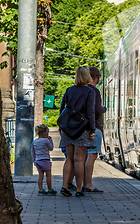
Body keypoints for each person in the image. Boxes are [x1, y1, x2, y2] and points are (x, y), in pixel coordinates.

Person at [59, 66, 96, 197]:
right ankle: (79, 189)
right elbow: (90, 112)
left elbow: (62, 109)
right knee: (79, 159)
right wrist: (92, 129)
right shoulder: (89, 92)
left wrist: (61, 126)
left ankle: (65, 186)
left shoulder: (69, 90)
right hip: (82, 129)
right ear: (87, 77)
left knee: (69, 158)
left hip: (68, 129)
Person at [84, 66, 106, 193]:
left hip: (81, 128)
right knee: (92, 156)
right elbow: (97, 110)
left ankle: (79, 183)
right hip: (94, 127)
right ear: (97, 77)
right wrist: (103, 109)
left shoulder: (81, 89)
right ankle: (88, 184)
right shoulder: (94, 91)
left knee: (80, 157)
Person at [31, 124, 56, 195]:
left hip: (38, 160)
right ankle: (50, 190)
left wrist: (34, 160)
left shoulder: (35, 141)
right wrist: (50, 140)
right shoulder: (46, 140)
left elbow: (32, 152)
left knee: (40, 176)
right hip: (45, 160)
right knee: (48, 175)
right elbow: (51, 148)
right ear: (45, 133)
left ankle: (40, 190)